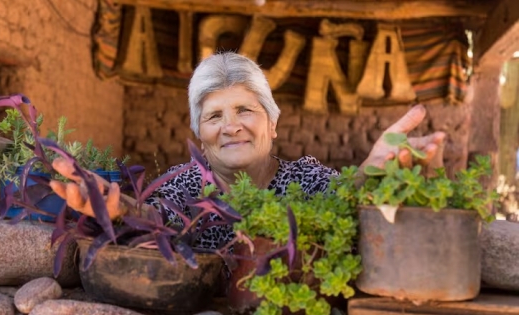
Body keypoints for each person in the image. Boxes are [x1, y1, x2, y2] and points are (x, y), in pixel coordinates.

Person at [50, 52, 446, 249]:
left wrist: (371, 174)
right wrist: (122, 211)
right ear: (200, 134)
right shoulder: (180, 189)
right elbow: (155, 220)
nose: (231, 126)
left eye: (244, 110)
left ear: (272, 123)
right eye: (214, 116)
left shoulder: (305, 178)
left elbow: (346, 198)